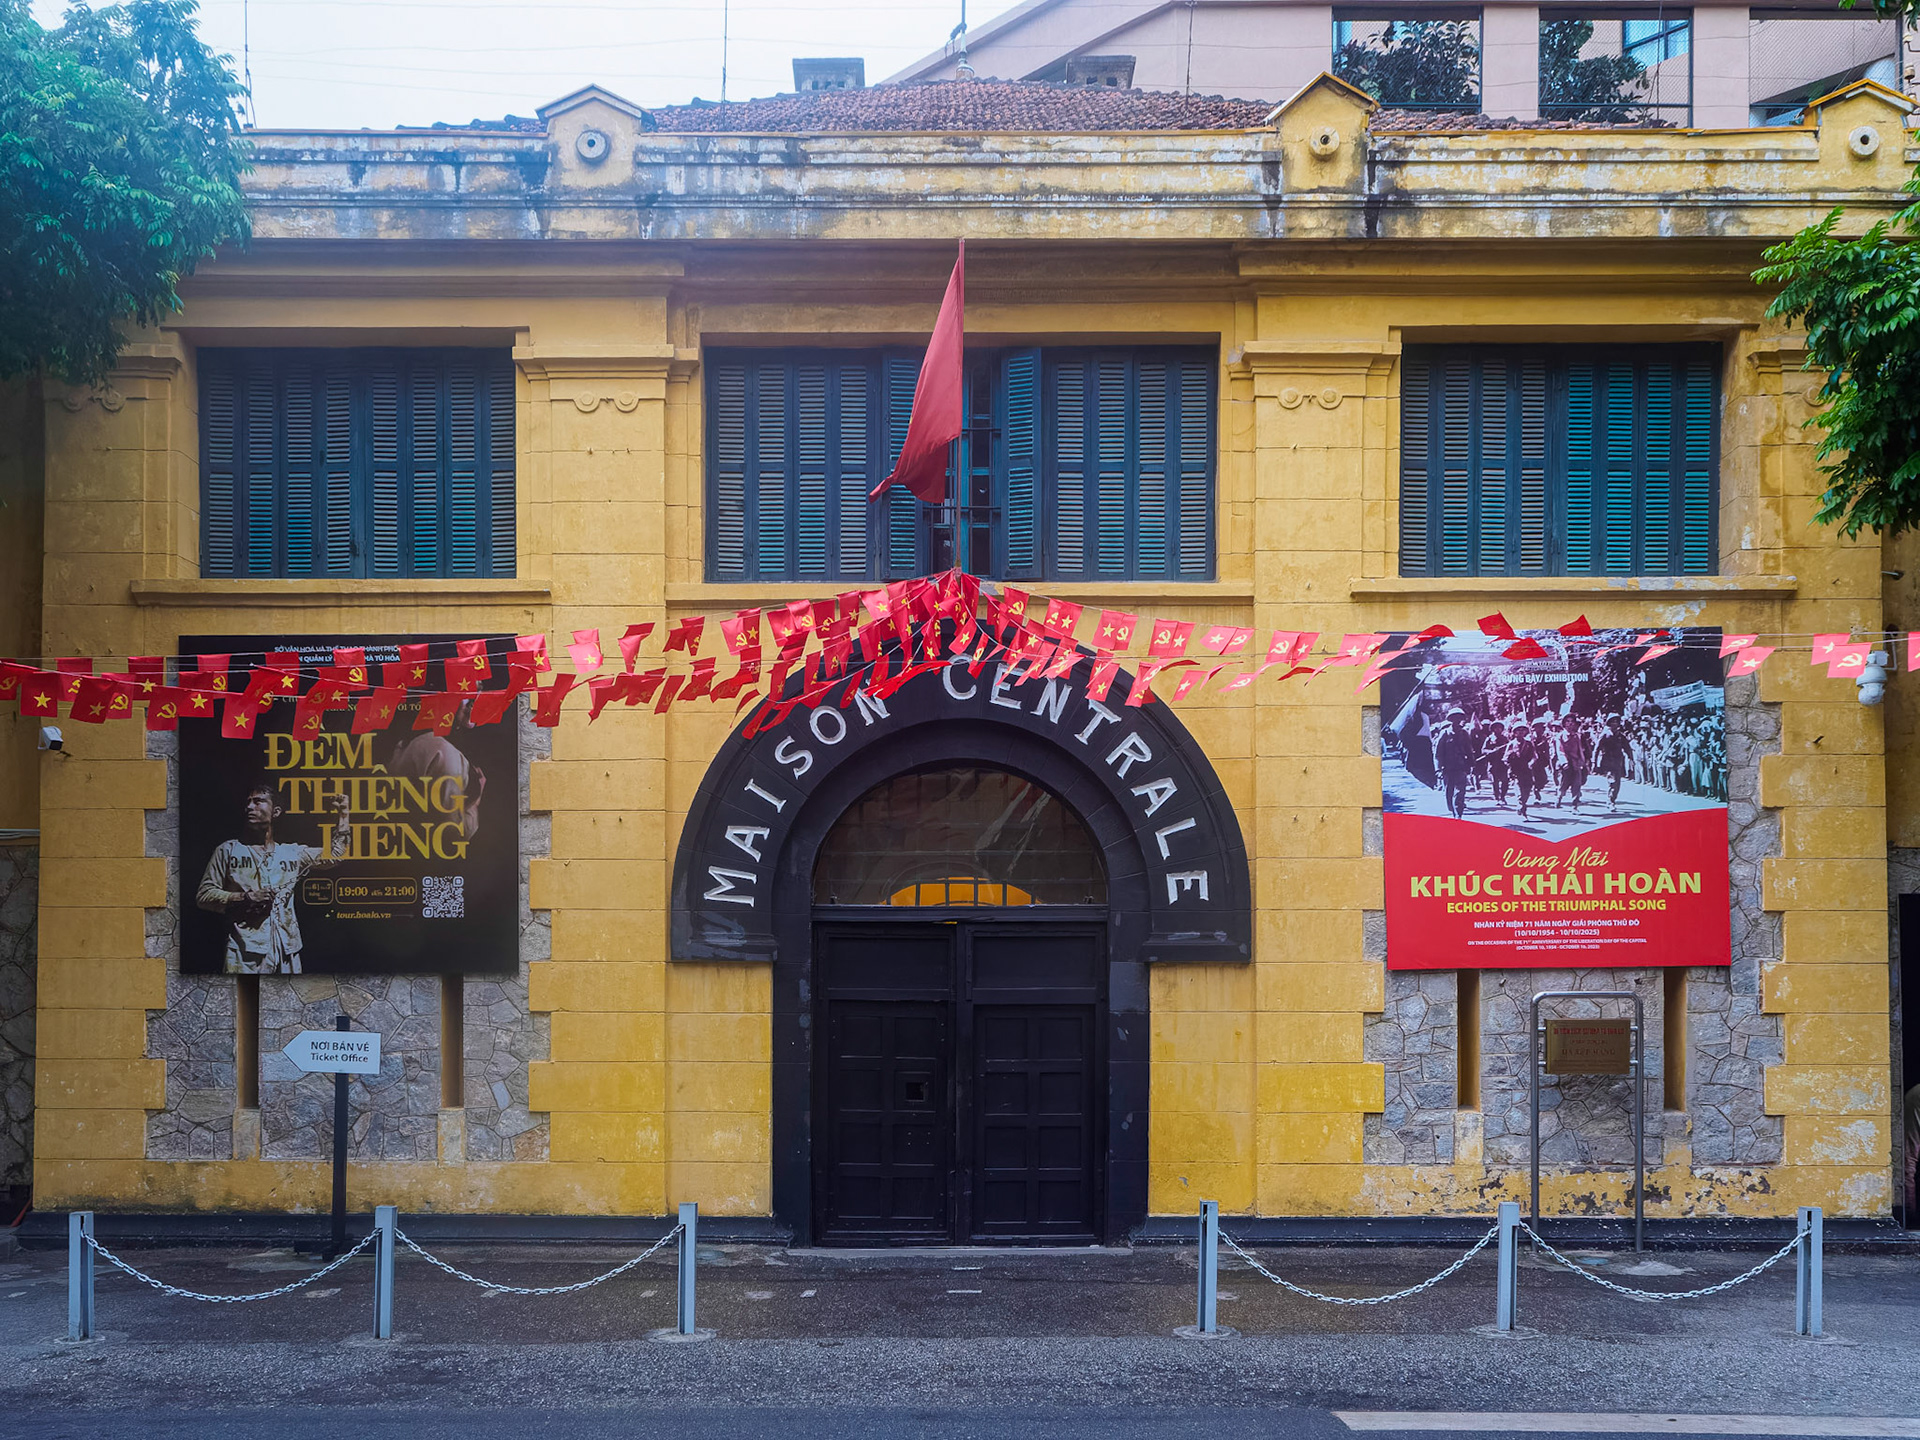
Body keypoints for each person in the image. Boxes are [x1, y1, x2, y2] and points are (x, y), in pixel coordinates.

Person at [196, 778, 350, 975]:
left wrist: (344, 815)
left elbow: (336, 856)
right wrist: (245, 898)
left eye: (258, 801)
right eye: (248, 802)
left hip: (288, 950)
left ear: (275, 812)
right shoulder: (228, 850)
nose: (250, 807)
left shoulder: (292, 853)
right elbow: (204, 896)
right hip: (245, 953)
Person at [1433, 708, 1476, 820]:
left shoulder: (1464, 733)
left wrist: (1472, 764)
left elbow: (1469, 750)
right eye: (1454, 718)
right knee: (1449, 793)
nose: (1457, 720)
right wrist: (1438, 770)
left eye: (1459, 717)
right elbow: (1438, 754)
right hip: (1447, 768)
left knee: (1460, 792)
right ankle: (1453, 811)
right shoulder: (1444, 734)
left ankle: (1458, 815)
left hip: (1461, 767)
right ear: (1450, 719)